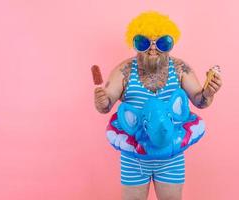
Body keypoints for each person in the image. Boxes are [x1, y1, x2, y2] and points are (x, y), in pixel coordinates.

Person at [93, 11, 222, 200]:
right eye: (143, 43)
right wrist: (101, 101)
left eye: (162, 43)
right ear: (133, 43)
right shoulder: (123, 71)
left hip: (171, 156)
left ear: (171, 43)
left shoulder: (180, 69)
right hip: (134, 158)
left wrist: (209, 92)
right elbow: (106, 105)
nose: (153, 49)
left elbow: (199, 101)